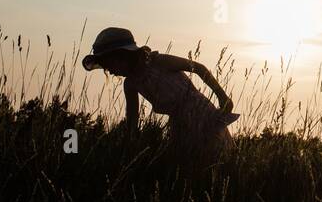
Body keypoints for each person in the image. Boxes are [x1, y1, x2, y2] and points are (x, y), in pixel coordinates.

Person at [81, 27, 238, 156]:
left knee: (218, 155)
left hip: (202, 113)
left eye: (110, 65)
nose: (110, 71)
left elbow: (198, 68)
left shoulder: (160, 62)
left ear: (122, 56)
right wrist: (130, 145)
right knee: (190, 163)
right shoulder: (131, 84)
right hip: (179, 124)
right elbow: (132, 120)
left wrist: (222, 96)